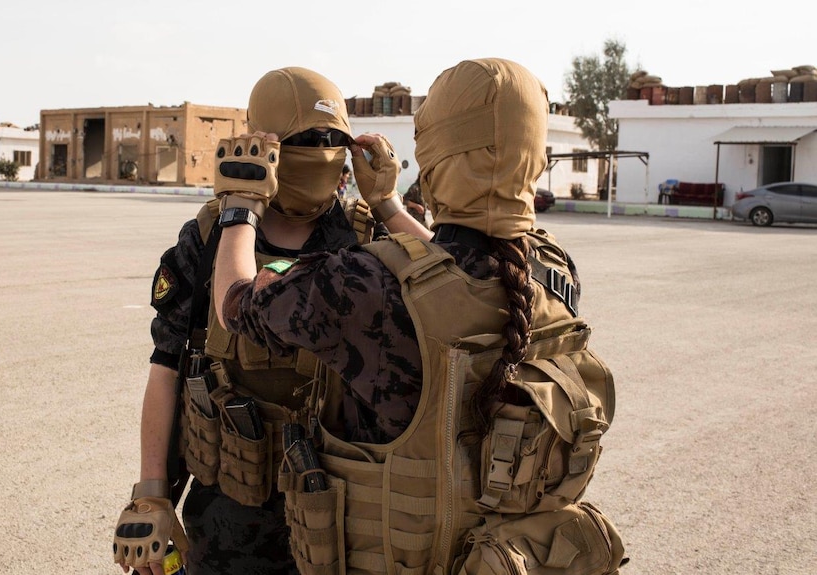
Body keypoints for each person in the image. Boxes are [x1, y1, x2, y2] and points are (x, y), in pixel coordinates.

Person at [211, 58, 625, 574]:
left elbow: (234, 306)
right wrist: (385, 203)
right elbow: (451, 273)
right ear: (533, 158)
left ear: (435, 160)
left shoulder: (366, 285)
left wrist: (240, 207)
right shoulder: (550, 269)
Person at [113, 66, 429, 575]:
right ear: (265, 144)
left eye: (335, 140)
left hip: (351, 522)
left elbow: (453, 290)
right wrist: (152, 493)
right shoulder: (211, 238)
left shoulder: (368, 236)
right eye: (308, 139)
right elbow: (166, 367)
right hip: (230, 526)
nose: (324, 152)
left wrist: (389, 203)